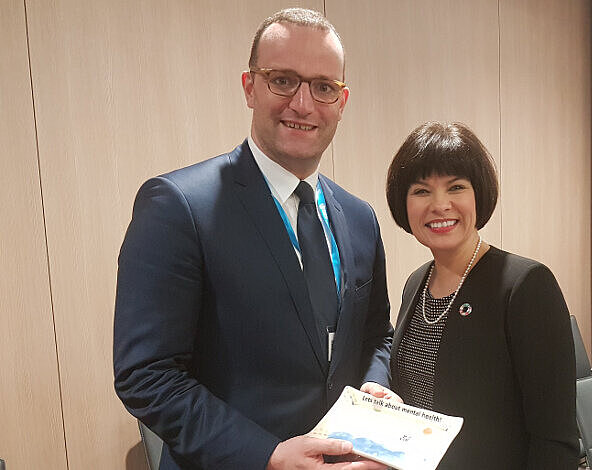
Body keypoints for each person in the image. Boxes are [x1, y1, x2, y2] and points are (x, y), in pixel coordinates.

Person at [114, 8, 395, 470]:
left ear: (342, 102)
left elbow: (376, 335)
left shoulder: (361, 217)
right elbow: (147, 375)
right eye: (282, 79)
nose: (303, 104)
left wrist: (373, 390)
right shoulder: (178, 205)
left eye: (323, 87)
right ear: (250, 87)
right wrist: (266, 455)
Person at [385, 122, 579, 469]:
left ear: (479, 194)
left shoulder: (525, 284)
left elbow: (554, 440)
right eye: (421, 190)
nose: (440, 204)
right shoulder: (415, 283)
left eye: (456, 187)